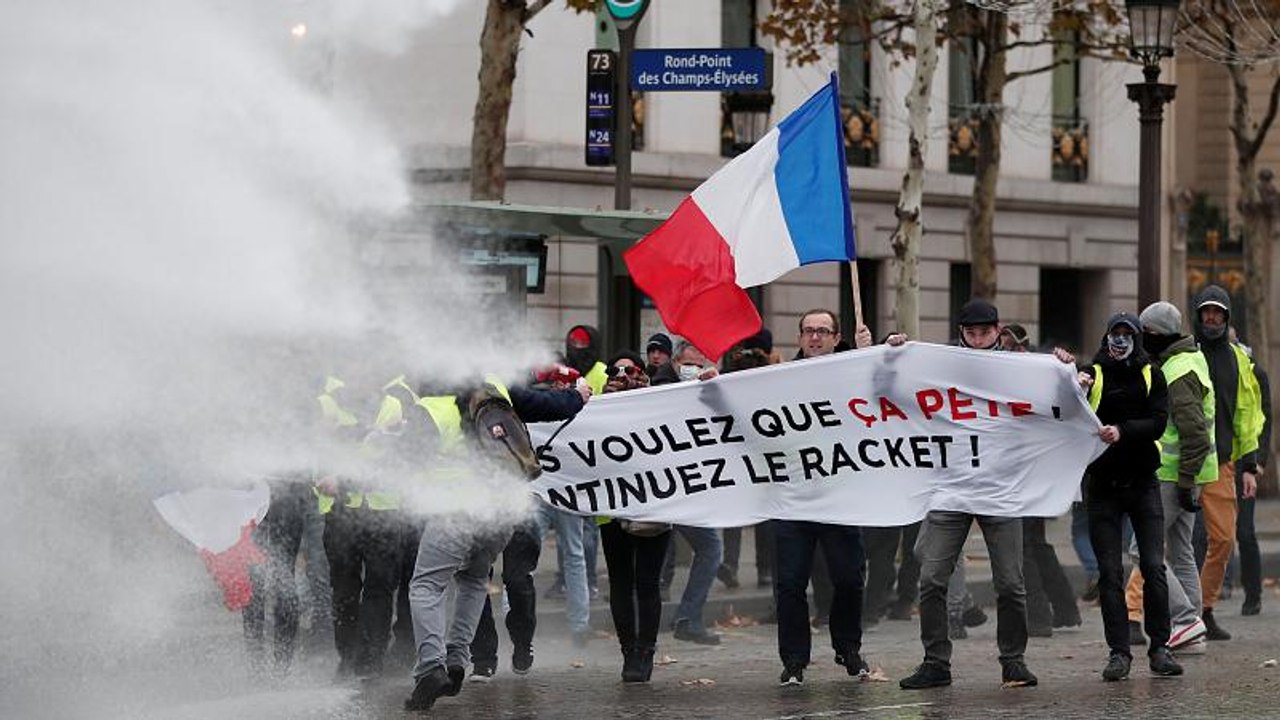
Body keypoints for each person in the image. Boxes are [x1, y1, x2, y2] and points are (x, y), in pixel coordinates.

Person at [901, 298, 1060, 690]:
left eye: (984, 333)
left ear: (997, 330)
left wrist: (1065, 369)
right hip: (951, 491)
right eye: (970, 334)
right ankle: (936, 661)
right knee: (932, 578)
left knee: (1010, 582)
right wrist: (894, 350)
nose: (977, 340)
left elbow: (1055, 395)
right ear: (961, 333)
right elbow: (895, 383)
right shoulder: (942, 365)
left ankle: (1013, 661)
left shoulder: (1019, 367)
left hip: (1000, 492)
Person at [405, 378, 542, 711]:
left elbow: (408, 460)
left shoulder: (432, 409)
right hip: (498, 513)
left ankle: (431, 668)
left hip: (456, 510)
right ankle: (456, 658)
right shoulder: (497, 391)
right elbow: (544, 405)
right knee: (474, 580)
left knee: (426, 586)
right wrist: (576, 396)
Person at [774, 309, 883, 686]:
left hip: (840, 498)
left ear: (837, 338)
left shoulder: (853, 370)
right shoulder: (780, 379)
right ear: (800, 338)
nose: (815, 337)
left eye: (823, 331)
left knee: (850, 578)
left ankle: (848, 647)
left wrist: (872, 354)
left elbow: (884, 393)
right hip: (794, 499)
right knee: (790, 583)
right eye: (808, 331)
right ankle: (793, 660)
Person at [1079, 312, 1182, 681]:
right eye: (1114, 334)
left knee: (1153, 566)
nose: (1120, 341)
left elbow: (1158, 421)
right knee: (1110, 573)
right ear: (1106, 336)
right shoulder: (1092, 373)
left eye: (1127, 334)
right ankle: (1119, 653)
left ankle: (1160, 647)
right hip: (1103, 487)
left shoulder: (1152, 373)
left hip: (1143, 483)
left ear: (1137, 339)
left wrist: (1122, 431)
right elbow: (1070, 408)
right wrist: (1076, 383)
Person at [467, 377, 588, 680]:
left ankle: (523, 643)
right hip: (471, 504)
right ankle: (483, 658)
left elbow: (541, 403)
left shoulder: (500, 384)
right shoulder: (447, 390)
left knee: (518, 580)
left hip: (515, 501)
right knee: (475, 579)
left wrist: (576, 397)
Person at [1123, 301, 1218, 656]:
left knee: (1143, 550)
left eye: (1145, 334)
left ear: (1156, 334)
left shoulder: (1177, 371)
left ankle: (1185, 620)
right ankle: (1191, 630)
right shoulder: (1191, 358)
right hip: (1191, 473)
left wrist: (1184, 481)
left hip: (1174, 475)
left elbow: (1194, 432)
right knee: (1181, 551)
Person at [1187, 286, 1265, 640]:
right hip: (1182, 464)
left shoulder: (1238, 360)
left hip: (1222, 463)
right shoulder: (1185, 353)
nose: (1212, 318)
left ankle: (1202, 611)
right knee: (1157, 543)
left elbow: (1247, 416)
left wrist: (1249, 465)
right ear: (1198, 316)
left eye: (1218, 313)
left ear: (1227, 317)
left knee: (1222, 540)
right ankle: (1133, 612)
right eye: (1207, 312)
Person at [596, 350, 673, 683]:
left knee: (647, 582)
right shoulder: (595, 408)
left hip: (654, 506)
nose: (625, 376)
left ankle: (646, 649)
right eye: (618, 371)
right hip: (611, 510)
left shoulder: (660, 403)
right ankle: (629, 651)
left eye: (633, 371)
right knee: (621, 582)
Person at [653, 340, 724, 645]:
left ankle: (684, 618)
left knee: (706, 549)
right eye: (690, 361)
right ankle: (682, 618)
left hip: (686, 485)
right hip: (667, 485)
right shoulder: (660, 385)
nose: (696, 365)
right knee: (699, 549)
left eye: (701, 361)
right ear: (677, 360)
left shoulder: (699, 386)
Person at [718, 331, 776, 591]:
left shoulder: (764, 372)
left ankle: (732, 564)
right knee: (757, 512)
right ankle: (763, 569)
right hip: (755, 453)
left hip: (750, 453)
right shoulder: (772, 372)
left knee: (738, 511)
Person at [565, 325, 608, 395]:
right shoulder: (562, 369)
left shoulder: (604, 372)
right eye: (573, 343)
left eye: (582, 343)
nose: (577, 347)